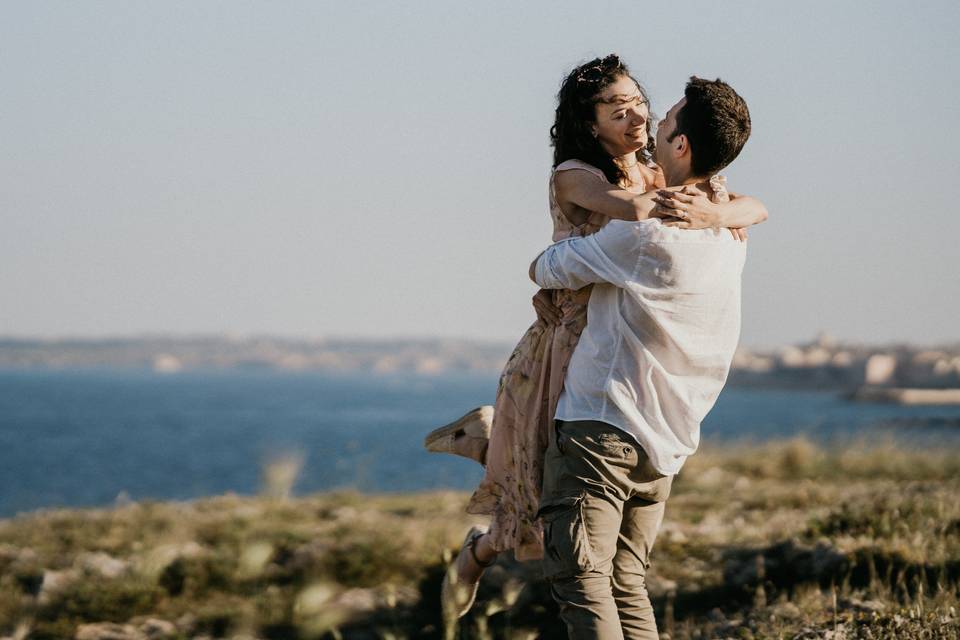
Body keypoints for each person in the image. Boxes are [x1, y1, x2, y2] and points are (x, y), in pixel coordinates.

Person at [424, 55, 768, 621]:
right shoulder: (579, 175)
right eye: (618, 108)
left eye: (642, 104)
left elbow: (758, 208)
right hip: (567, 341)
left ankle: (485, 453)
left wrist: (713, 213)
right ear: (590, 123)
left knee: (553, 507)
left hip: (610, 346)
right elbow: (631, 211)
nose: (637, 117)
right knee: (543, 503)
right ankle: (475, 553)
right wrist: (701, 209)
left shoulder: (664, 179)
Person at [531, 75, 758, 639]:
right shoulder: (728, 234)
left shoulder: (644, 236)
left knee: (580, 577)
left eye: (666, 119)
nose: (653, 123)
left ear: (680, 146)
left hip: (603, 428)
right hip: (668, 439)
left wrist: (572, 242)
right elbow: (752, 208)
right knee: (626, 581)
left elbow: (546, 269)